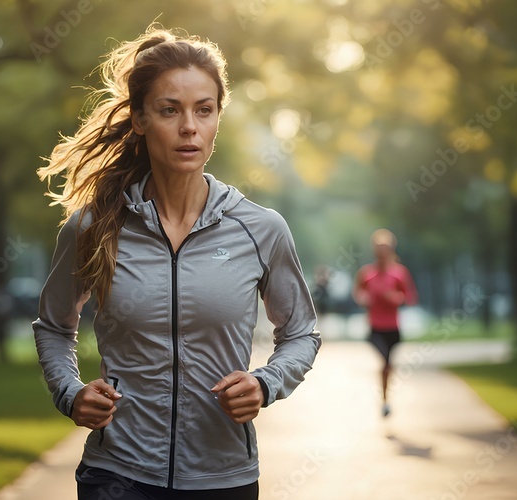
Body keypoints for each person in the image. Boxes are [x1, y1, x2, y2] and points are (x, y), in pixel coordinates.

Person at [33, 26, 321, 500]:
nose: (189, 126)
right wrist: (69, 391)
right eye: (170, 110)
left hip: (222, 477)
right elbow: (53, 325)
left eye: (203, 110)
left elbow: (301, 333)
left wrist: (266, 384)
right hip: (118, 476)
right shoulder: (93, 227)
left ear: (216, 119)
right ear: (140, 119)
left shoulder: (260, 228)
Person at [352, 228, 417, 417]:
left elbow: (410, 297)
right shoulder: (366, 274)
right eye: (378, 249)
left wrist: (395, 298)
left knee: (388, 365)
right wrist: (364, 298)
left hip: (393, 327)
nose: (381, 253)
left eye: (385, 249)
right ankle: (385, 401)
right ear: (374, 251)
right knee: (386, 363)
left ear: (390, 250)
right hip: (375, 327)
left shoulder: (399, 274)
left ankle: (385, 400)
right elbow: (358, 293)